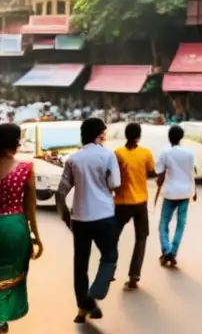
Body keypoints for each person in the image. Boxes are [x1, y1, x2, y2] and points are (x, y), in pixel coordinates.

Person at [57, 117, 120, 324]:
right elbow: (115, 184)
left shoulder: (73, 159)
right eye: (104, 131)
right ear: (98, 134)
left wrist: (66, 217)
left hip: (80, 218)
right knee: (109, 256)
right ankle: (92, 297)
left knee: (80, 264)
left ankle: (81, 309)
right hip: (103, 216)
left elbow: (60, 192)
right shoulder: (107, 155)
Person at [0, 123, 43, 333]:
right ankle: (1, 318)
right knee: (10, 274)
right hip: (14, 229)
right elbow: (30, 209)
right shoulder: (25, 169)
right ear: (17, 143)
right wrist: (36, 236)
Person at [113, 123, 156, 290]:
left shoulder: (118, 153)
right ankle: (134, 275)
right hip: (140, 202)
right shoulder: (145, 153)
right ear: (139, 136)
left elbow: (113, 176)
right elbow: (152, 172)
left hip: (122, 202)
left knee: (113, 237)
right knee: (141, 238)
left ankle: (110, 269)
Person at [155, 125, 197, 268]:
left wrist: (158, 183)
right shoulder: (190, 154)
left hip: (170, 192)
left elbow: (159, 173)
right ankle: (173, 251)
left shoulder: (165, 153)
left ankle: (166, 250)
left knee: (163, 224)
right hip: (185, 192)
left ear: (169, 137)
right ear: (181, 137)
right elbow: (191, 173)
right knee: (180, 224)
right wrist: (195, 191)